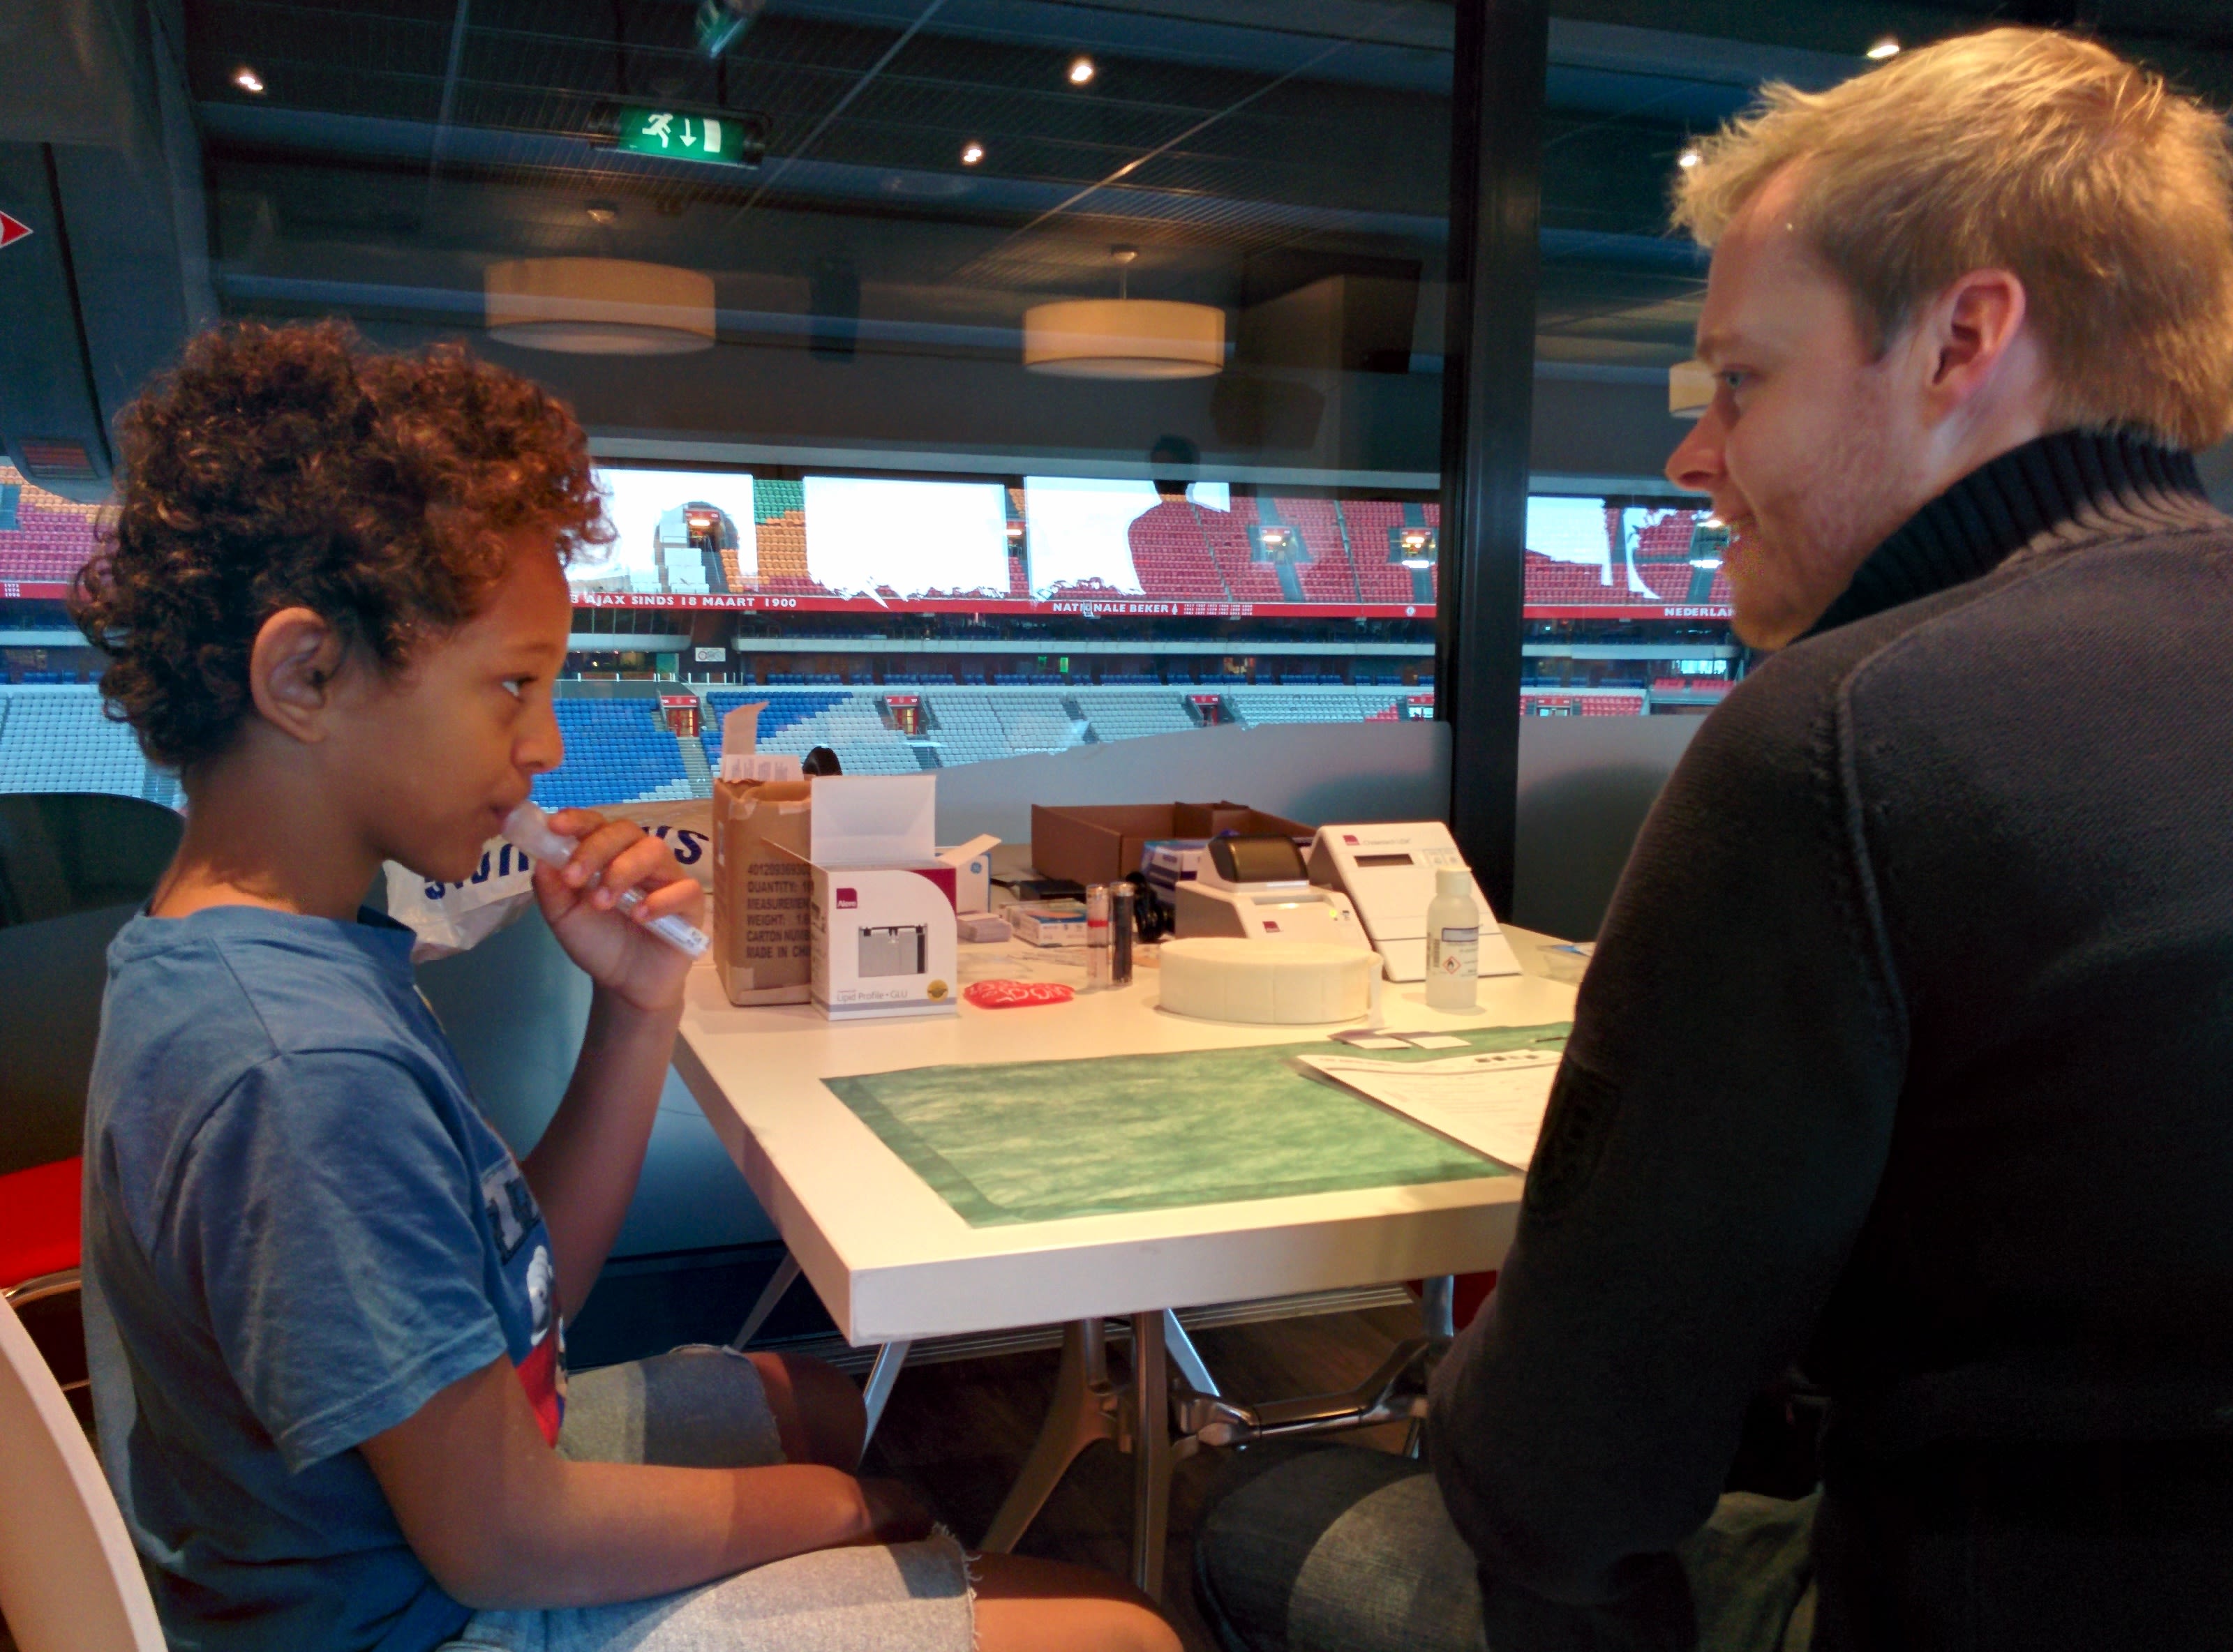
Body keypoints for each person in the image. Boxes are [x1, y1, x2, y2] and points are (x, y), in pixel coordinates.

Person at [1195, 27, 2233, 1651]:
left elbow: (1562, 1473)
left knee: (1267, 1514)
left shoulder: (1846, 735)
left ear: (1963, 337)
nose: (1691, 458)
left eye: (1739, 381)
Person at [73, 320, 1177, 1652]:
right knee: (1112, 1619)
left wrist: (637, 1002)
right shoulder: (299, 1069)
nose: (543, 742)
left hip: (401, 1538)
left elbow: (529, 1292)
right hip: (429, 1614)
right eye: (510, 686)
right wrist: (820, 1516)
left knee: (834, 1417)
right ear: (308, 674)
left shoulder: (248, 961)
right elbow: (502, 1539)